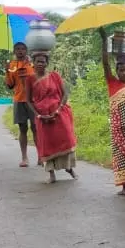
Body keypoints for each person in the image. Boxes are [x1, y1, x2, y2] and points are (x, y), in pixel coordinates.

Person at [24, 50, 77, 184]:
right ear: (33, 63)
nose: (40, 64)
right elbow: (29, 100)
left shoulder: (55, 76)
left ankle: (69, 168)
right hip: (42, 117)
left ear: (47, 63)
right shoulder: (30, 79)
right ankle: (51, 174)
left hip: (58, 114)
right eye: (38, 61)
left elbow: (64, 95)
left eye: (43, 61)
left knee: (65, 139)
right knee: (46, 144)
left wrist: (58, 110)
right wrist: (38, 115)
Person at [100, 28, 125, 196]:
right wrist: (103, 42)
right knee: (121, 156)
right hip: (118, 129)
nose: (124, 73)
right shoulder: (112, 83)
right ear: (116, 71)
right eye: (121, 70)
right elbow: (105, 64)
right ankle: (124, 186)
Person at [5, 42, 36, 167]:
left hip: (33, 100)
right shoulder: (11, 66)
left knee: (36, 128)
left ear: (26, 51)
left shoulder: (32, 64)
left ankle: (41, 156)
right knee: (22, 129)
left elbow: (38, 78)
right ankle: (24, 158)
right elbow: (10, 85)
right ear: (14, 51)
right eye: (18, 49)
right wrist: (7, 71)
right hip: (19, 99)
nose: (20, 51)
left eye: (23, 49)